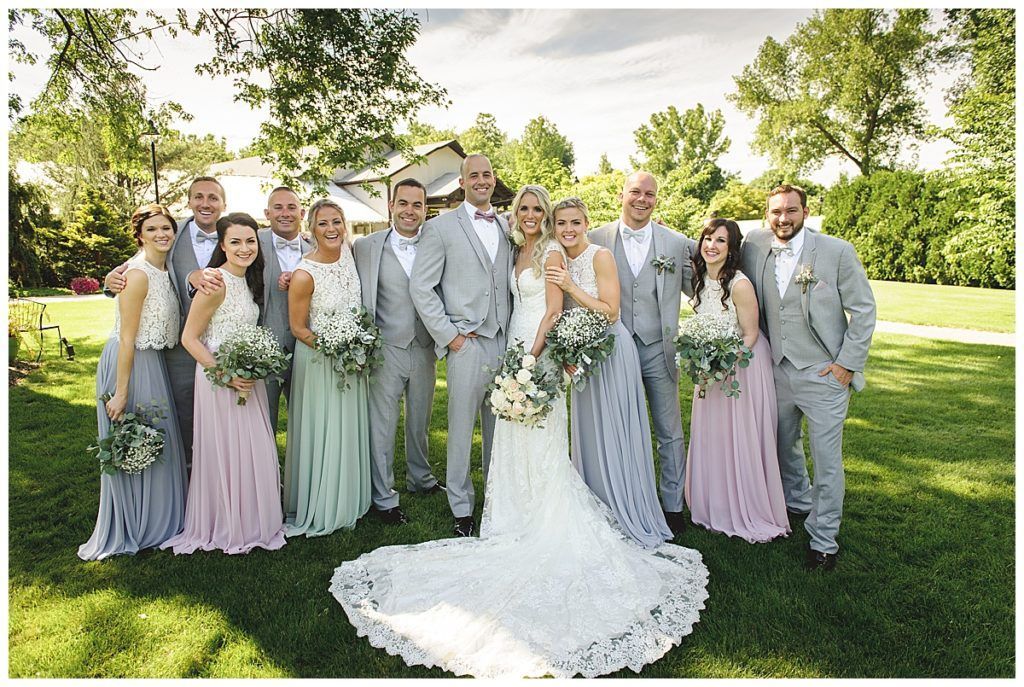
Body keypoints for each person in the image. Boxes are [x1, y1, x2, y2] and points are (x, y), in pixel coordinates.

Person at [329, 184, 709, 679]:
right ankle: (509, 514)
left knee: (541, 437)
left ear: (547, 216)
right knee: (510, 438)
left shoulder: (552, 251)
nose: (531, 215)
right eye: (524, 209)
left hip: (537, 352)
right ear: (516, 215)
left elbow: (552, 310)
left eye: (538, 210)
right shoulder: (516, 247)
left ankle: (540, 516)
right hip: (514, 348)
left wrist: (528, 363)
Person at [740, 185, 876, 570]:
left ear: (805, 211)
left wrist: (846, 364)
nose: (783, 219)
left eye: (791, 211)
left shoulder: (836, 252)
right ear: (767, 214)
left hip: (824, 373)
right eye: (776, 212)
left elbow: (863, 310)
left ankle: (824, 539)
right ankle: (799, 503)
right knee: (783, 446)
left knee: (827, 460)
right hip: (776, 370)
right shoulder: (755, 245)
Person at [546, 197, 673, 548]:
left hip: (612, 353)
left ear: (586, 223)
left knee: (616, 430)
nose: (568, 230)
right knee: (588, 432)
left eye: (575, 222)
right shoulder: (556, 257)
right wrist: (566, 352)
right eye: (561, 223)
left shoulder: (600, 255)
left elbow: (611, 311)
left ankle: (627, 506)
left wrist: (570, 286)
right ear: (554, 227)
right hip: (582, 356)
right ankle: (595, 507)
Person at [161, 213, 286, 555]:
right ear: (222, 246)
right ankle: (229, 523)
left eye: (250, 241)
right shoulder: (215, 283)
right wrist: (227, 375)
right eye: (235, 241)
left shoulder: (248, 280)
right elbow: (190, 338)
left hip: (248, 377)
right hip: (219, 378)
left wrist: (253, 367)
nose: (244, 248)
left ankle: (254, 521)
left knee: (254, 450)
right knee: (229, 452)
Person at [587, 172, 696, 535]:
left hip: (657, 348)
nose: (642, 199)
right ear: (622, 194)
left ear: (656, 200)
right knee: (616, 427)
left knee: (669, 430)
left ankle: (672, 504)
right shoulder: (595, 237)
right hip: (613, 350)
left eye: (649, 194)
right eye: (635, 191)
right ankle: (621, 496)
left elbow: (708, 274)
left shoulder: (677, 242)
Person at [409, 154, 513, 537]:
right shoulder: (440, 228)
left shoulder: (506, 224)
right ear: (462, 181)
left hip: (505, 341)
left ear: (493, 178)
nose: (482, 180)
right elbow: (421, 286)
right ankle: (461, 508)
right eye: (475, 175)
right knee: (460, 427)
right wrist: (449, 336)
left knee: (500, 428)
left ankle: (498, 498)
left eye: (487, 174)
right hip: (466, 343)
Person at [79, 204, 188, 560]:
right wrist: (121, 392)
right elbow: (127, 337)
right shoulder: (138, 275)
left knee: (155, 441)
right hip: (130, 362)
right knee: (136, 438)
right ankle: (136, 524)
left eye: (167, 228)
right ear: (140, 235)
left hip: (151, 360)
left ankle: (158, 520)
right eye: (153, 229)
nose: (162, 235)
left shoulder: (159, 267)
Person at [104, 177, 228, 464]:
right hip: (175, 350)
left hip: (222, 339)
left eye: (213, 197)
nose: (205, 203)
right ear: (189, 201)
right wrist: (110, 282)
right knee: (176, 416)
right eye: (199, 197)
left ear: (224, 204)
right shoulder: (172, 231)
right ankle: (185, 479)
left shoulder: (236, 233)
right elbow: (136, 264)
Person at [684, 218, 790, 543]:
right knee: (715, 435)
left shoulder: (739, 284)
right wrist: (705, 362)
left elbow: (751, 334)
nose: (711, 246)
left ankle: (747, 506)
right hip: (713, 367)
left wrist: (720, 365)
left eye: (720, 241)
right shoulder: (701, 279)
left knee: (740, 437)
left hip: (742, 367)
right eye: (707, 239)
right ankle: (715, 503)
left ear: (731, 250)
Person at [352, 178, 442, 526]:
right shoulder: (366, 246)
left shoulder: (437, 244)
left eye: (417, 204)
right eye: (403, 203)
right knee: (383, 423)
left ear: (424, 209)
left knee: (420, 419)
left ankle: (421, 477)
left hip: (424, 345)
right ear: (391, 205)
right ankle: (384, 495)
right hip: (385, 345)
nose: (409, 210)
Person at [283, 200, 371, 536]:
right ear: (311, 230)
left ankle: (351, 495)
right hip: (320, 360)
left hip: (352, 360)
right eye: (323, 224)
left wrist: (355, 349)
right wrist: (336, 349)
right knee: (325, 429)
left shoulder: (349, 254)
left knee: (348, 427)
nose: (331, 229)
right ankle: (322, 504)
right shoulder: (304, 274)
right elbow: (298, 328)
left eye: (337, 221)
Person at [259, 186, 313, 433]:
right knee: (262, 417)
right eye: (278, 207)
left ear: (302, 213)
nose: (285, 213)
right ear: (267, 213)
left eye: (292, 207)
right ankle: (266, 470)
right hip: (263, 348)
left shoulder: (316, 245)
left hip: (307, 347)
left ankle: (301, 470)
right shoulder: (252, 241)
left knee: (305, 416)